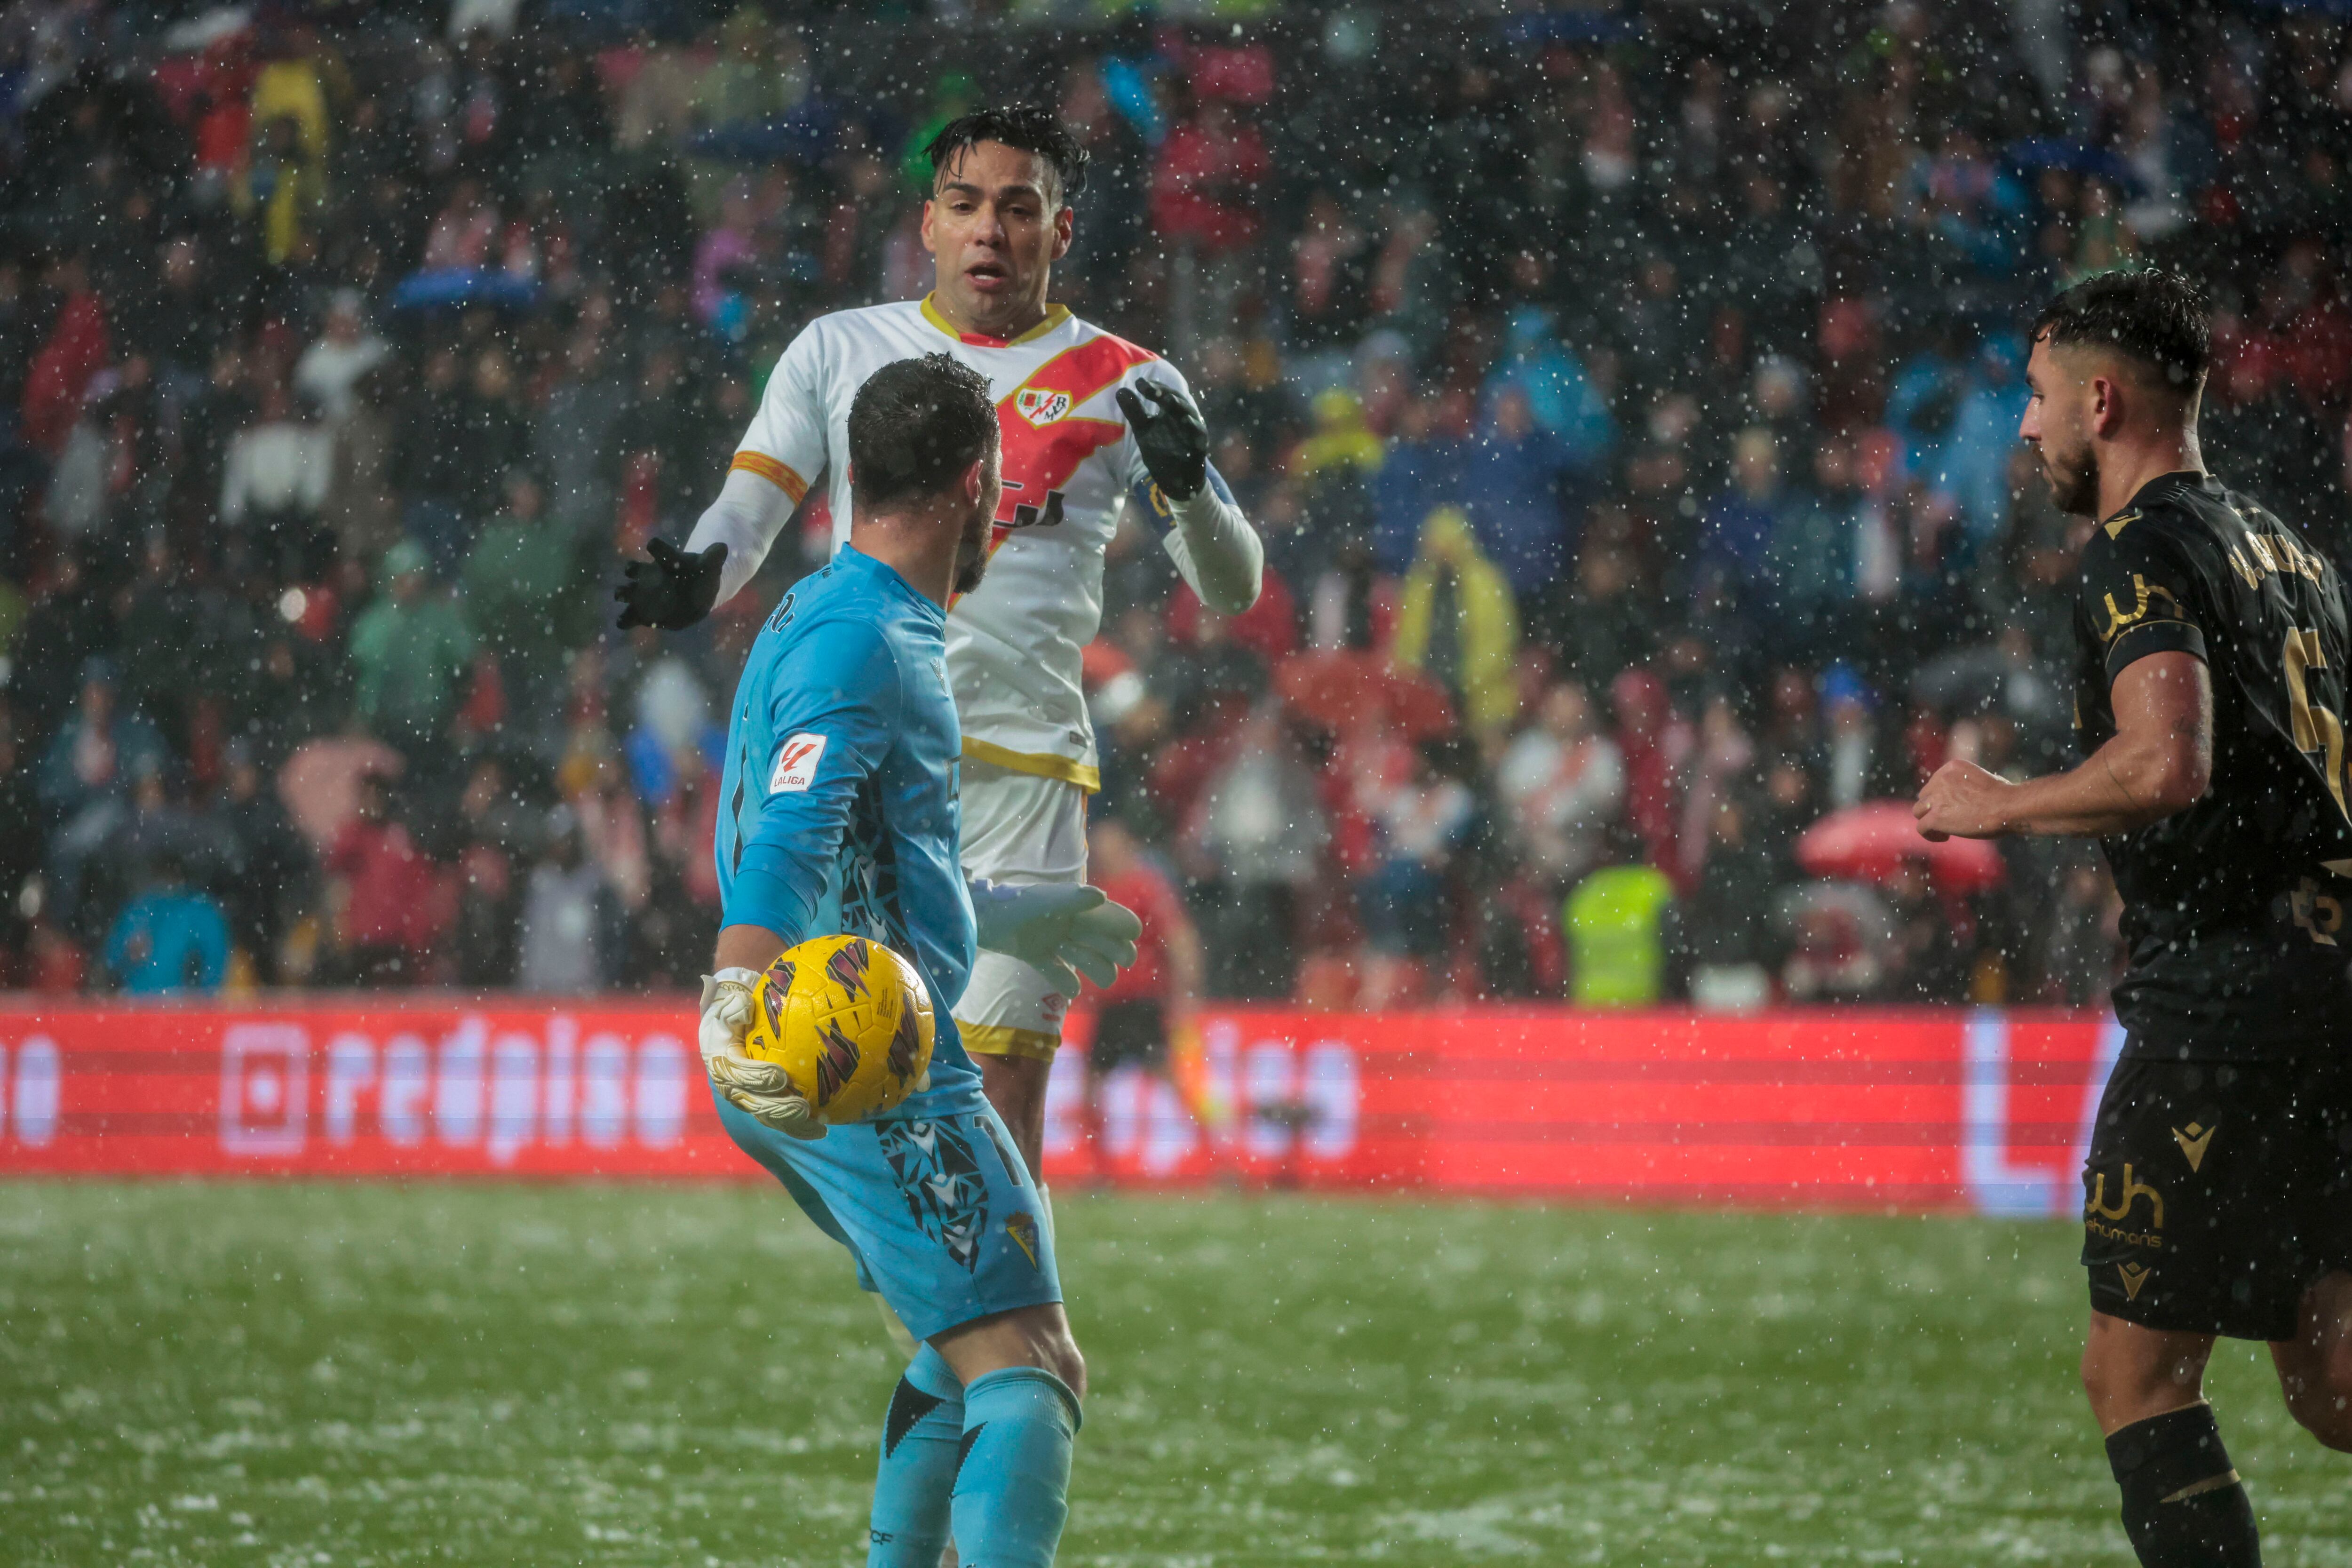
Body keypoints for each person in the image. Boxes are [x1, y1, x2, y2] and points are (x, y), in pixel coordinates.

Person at [618, 105, 1260, 1204]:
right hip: (873, 756)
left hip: (1025, 771)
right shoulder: (838, 350)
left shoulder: (1129, 381)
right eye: (965, 205)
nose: (989, 231)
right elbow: (748, 509)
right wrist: (700, 574)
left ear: (1061, 229)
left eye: (1019, 208)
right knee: (867, 1080)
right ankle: (935, 1299)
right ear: (928, 224)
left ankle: (991, 1313)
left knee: (998, 1097)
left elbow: (1232, 585)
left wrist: (1193, 488)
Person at [1915, 269, 2352, 1568]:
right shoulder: (2293, 554)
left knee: (2136, 1373)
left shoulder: (2138, 550)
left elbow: (2169, 761)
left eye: (2038, 396)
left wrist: (2003, 804)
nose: (2026, 425)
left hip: (2228, 1006)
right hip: (2331, 986)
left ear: (2100, 401)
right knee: (2332, 1376)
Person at [693, 355, 1132, 1566]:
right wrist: (735, 996)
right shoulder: (869, 643)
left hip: (831, 1030)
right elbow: (794, 834)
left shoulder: (827, 609)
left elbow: (868, 854)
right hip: (864, 1057)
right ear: (975, 484)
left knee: (958, 1339)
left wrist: (1008, 917)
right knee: (1033, 1359)